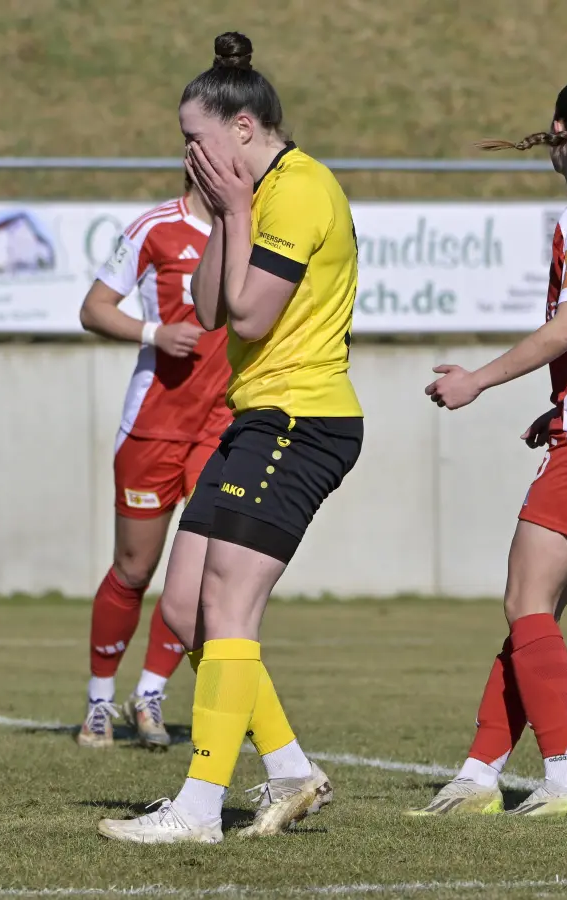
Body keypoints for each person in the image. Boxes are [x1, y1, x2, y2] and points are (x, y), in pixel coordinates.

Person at [98, 31, 361, 843]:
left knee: (230, 607)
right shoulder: (245, 200)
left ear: (243, 129)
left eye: (197, 140)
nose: (190, 155)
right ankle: (289, 771)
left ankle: (199, 809)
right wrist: (223, 213)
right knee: (185, 608)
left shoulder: (300, 191)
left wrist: (238, 208)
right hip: (258, 417)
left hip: (299, 418)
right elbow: (208, 309)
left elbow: (250, 314)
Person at [411, 74, 567, 819]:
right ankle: (480, 772)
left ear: (559, 129)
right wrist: (559, 405)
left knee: (525, 601)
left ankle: (563, 780)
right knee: (535, 612)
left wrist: (479, 382)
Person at [74, 176, 229, 749]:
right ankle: (98, 701)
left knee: (194, 574)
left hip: (222, 429)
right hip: (154, 427)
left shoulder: (253, 227)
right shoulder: (154, 228)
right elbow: (93, 309)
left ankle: (152, 693)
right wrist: (154, 332)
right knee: (135, 568)